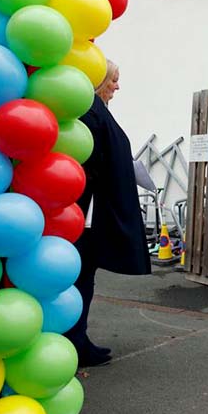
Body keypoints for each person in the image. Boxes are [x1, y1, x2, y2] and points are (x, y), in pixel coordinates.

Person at [67, 60, 151, 367]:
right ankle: (75, 342)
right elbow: (89, 161)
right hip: (83, 213)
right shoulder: (89, 111)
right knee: (80, 279)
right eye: (113, 79)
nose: (117, 85)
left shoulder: (94, 109)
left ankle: (78, 339)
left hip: (88, 211)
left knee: (84, 279)